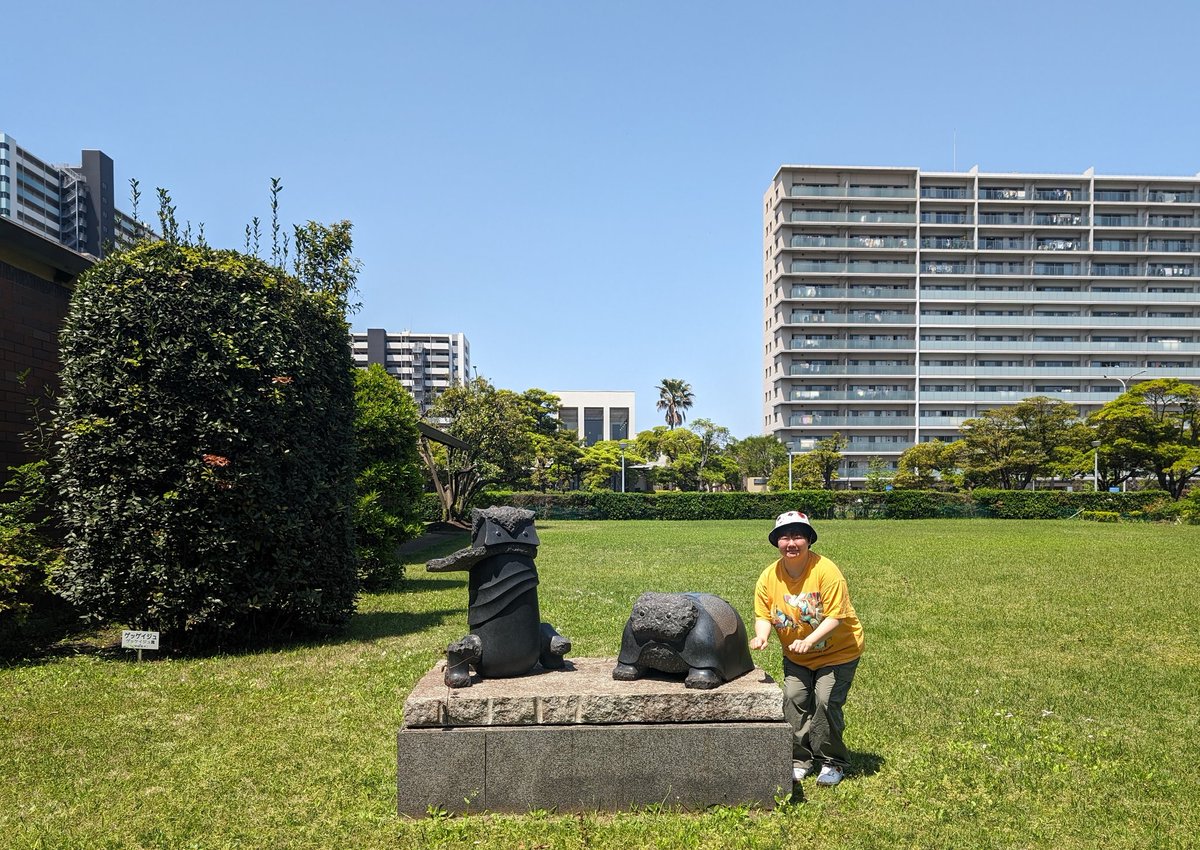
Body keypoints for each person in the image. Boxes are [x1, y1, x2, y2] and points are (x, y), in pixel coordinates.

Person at [750, 510, 864, 787]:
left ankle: (832, 761)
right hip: (797, 656)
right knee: (793, 698)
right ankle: (800, 759)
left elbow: (837, 616)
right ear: (776, 542)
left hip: (837, 653)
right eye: (784, 537)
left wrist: (809, 640)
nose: (791, 543)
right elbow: (763, 614)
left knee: (825, 702)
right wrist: (762, 636)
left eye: (798, 536)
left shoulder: (826, 571)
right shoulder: (769, 577)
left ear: (809, 540)